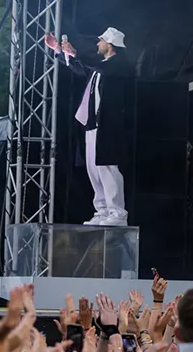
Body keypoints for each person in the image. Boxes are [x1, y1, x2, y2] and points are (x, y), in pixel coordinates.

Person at [45, 27, 135, 226]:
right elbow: (80, 68)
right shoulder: (101, 67)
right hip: (93, 123)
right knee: (93, 168)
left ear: (110, 44)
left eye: (101, 41)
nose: (98, 44)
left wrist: (75, 52)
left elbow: (92, 64)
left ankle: (117, 213)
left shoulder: (119, 65)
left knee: (108, 167)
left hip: (108, 125)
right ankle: (102, 210)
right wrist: (60, 51)